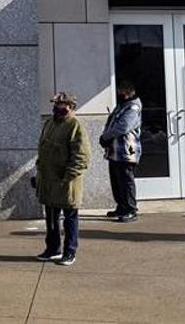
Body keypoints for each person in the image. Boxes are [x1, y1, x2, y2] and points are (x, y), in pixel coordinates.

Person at [32, 92, 91, 266]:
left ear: (70, 106)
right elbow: (43, 149)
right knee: (51, 218)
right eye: (55, 104)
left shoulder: (75, 125)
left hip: (66, 182)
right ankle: (52, 248)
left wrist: (68, 176)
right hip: (49, 181)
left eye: (60, 104)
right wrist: (39, 170)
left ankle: (70, 251)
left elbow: (82, 155)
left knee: (70, 217)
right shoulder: (50, 123)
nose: (56, 107)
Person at [100, 81, 142, 223]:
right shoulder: (122, 106)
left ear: (128, 92)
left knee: (125, 180)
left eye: (121, 91)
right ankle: (121, 206)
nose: (119, 94)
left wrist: (106, 136)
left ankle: (130, 209)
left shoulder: (133, 107)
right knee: (116, 180)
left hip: (126, 150)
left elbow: (123, 126)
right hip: (115, 150)